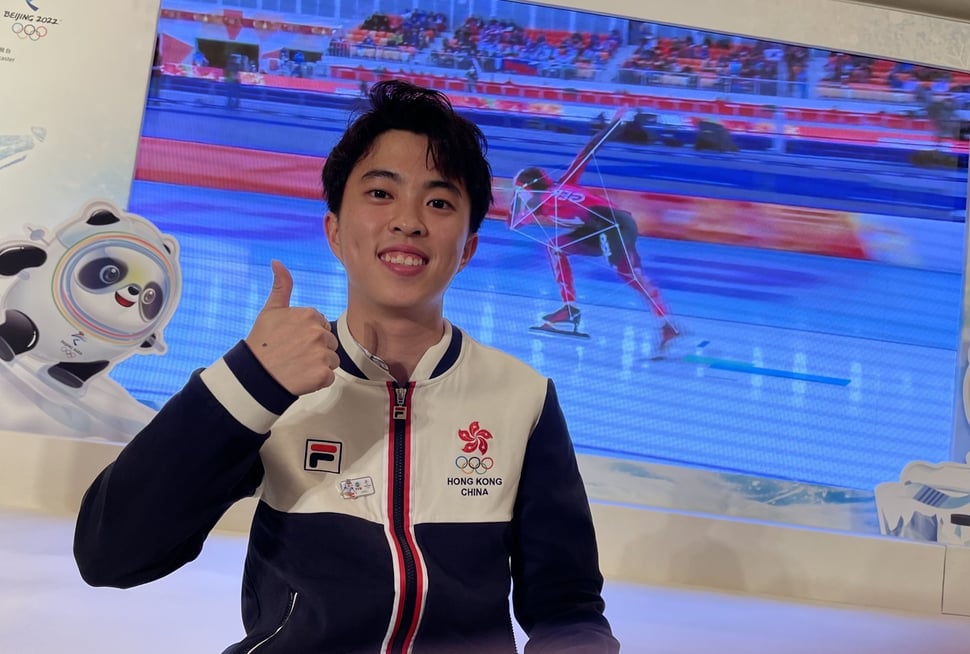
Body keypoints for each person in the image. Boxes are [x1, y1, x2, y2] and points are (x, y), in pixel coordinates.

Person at [73, 80, 619, 654]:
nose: (408, 221)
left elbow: (567, 604)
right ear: (334, 229)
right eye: (381, 193)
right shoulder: (271, 382)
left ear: (469, 247)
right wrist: (248, 383)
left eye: (439, 202)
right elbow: (112, 555)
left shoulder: (521, 397)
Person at [509, 109, 680, 354]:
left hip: (612, 226)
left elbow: (513, 222)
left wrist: (613, 126)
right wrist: (612, 125)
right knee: (555, 247)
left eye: (521, 195)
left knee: (630, 275)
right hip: (604, 226)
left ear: (527, 192)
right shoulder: (563, 182)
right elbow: (588, 150)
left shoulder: (544, 199)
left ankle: (666, 323)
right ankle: (569, 308)